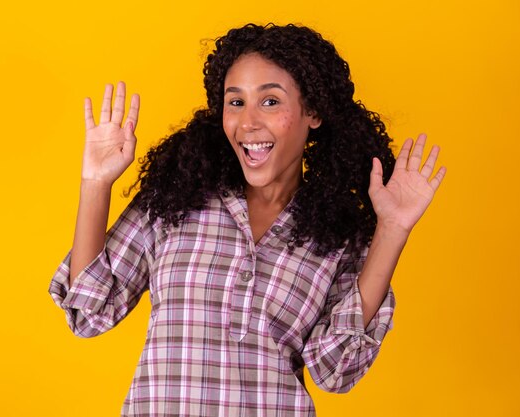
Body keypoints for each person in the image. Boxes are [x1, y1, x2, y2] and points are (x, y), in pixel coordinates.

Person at [48, 23, 446, 417]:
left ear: (314, 113)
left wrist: (392, 229)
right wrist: (95, 183)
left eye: (270, 101)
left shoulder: (337, 237)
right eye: (235, 102)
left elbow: (336, 370)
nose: (248, 122)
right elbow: (89, 312)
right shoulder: (176, 199)